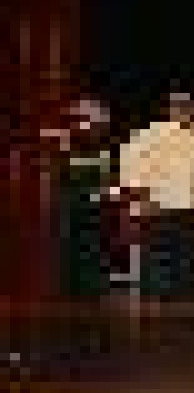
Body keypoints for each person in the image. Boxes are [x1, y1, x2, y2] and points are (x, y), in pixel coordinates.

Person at [118, 91, 194, 311]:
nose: (186, 112)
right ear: (170, 110)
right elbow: (132, 174)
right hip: (160, 209)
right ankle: (155, 308)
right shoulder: (149, 137)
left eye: (189, 108)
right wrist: (138, 202)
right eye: (182, 108)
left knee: (180, 265)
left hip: (186, 211)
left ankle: (170, 308)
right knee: (160, 266)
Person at [51, 97, 116, 300]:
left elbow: (102, 176)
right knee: (74, 249)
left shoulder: (101, 151)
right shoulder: (68, 147)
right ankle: (75, 288)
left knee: (92, 249)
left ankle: (89, 288)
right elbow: (64, 174)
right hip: (74, 207)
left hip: (93, 209)